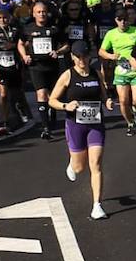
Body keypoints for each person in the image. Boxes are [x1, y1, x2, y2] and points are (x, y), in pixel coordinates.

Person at [47, 41, 115, 219]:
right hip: (75, 125)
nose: (81, 60)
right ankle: (72, 163)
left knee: (96, 164)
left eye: (84, 56)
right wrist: (65, 105)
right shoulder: (67, 76)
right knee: (79, 167)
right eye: (78, 57)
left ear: (89, 56)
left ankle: (97, 205)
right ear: (73, 57)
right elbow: (51, 100)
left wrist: (107, 102)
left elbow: (104, 94)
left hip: (95, 124)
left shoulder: (96, 74)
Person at [19, 0, 69, 140]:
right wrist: (24, 56)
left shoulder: (54, 29)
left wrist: (58, 52)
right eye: (38, 12)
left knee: (53, 96)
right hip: (36, 67)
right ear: (33, 14)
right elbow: (20, 44)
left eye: (43, 11)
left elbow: (66, 45)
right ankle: (45, 128)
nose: (42, 14)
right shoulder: (28, 28)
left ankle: (51, 118)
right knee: (41, 95)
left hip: (52, 66)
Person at [98, 9, 136, 134]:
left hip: (135, 71)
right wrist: (111, 56)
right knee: (123, 101)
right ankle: (130, 123)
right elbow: (101, 51)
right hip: (120, 71)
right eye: (120, 19)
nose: (123, 22)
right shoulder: (111, 34)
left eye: (125, 19)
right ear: (116, 20)